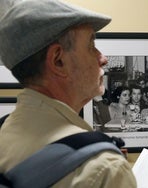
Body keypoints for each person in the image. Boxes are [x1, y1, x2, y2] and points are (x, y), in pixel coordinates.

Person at [0, 0, 137, 187]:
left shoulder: (4, 131)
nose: (103, 59)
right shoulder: (104, 169)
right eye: (91, 45)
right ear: (58, 61)